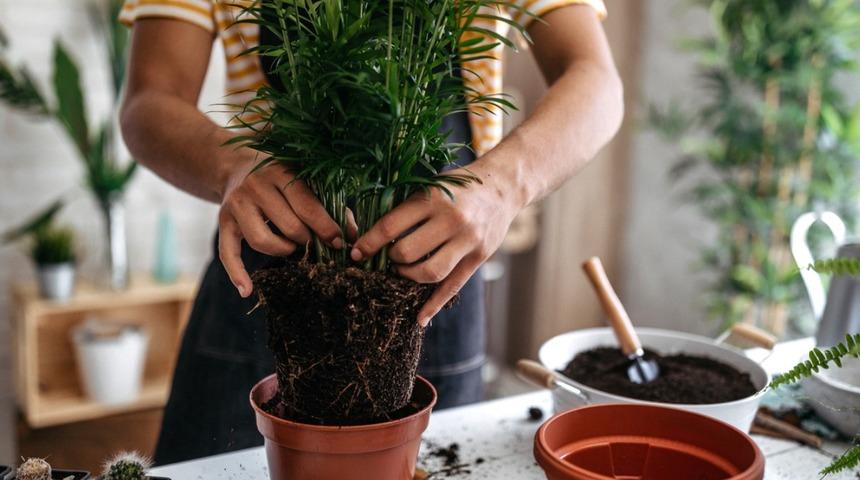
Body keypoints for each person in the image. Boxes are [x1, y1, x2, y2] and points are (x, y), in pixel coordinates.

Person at [119, 0, 623, 465]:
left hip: (434, 276)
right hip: (268, 269)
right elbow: (150, 100)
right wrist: (229, 166)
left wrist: (503, 186)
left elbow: (596, 80)